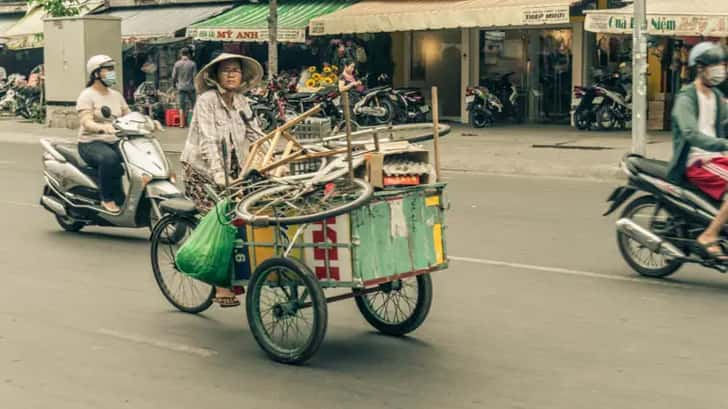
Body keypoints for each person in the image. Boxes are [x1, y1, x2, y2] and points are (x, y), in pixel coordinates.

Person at [180, 53, 264, 308]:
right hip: (202, 170)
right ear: (215, 76)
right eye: (226, 70)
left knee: (252, 214)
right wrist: (218, 176)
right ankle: (220, 285)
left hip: (234, 170)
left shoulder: (241, 102)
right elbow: (208, 141)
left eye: (236, 70)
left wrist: (272, 156)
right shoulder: (206, 101)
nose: (231, 74)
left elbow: (256, 133)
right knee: (221, 219)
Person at [667, 42, 728, 258]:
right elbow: (691, 134)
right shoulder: (686, 98)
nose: (720, 70)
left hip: (717, 158)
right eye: (715, 66)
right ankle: (709, 235)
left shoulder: (717, 97)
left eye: (722, 65)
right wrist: (723, 145)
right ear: (700, 68)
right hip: (698, 162)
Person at [76, 55, 130, 214]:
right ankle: (107, 198)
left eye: (113, 69)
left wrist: (148, 122)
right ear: (96, 73)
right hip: (90, 142)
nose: (112, 72)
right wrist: (103, 128)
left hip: (114, 141)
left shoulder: (116, 95)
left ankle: (123, 196)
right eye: (109, 69)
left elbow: (128, 115)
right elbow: (86, 122)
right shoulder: (87, 95)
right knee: (110, 159)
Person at [172, 47, 197, 128]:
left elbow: (173, 77)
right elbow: (194, 76)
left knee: (181, 107)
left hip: (181, 87)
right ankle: (192, 123)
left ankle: (182, 124)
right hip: (191, 87)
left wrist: (174, 85)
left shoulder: (177, 64)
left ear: (180, 54)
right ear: (189, 54)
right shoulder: (192, 64)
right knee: (193, 105)